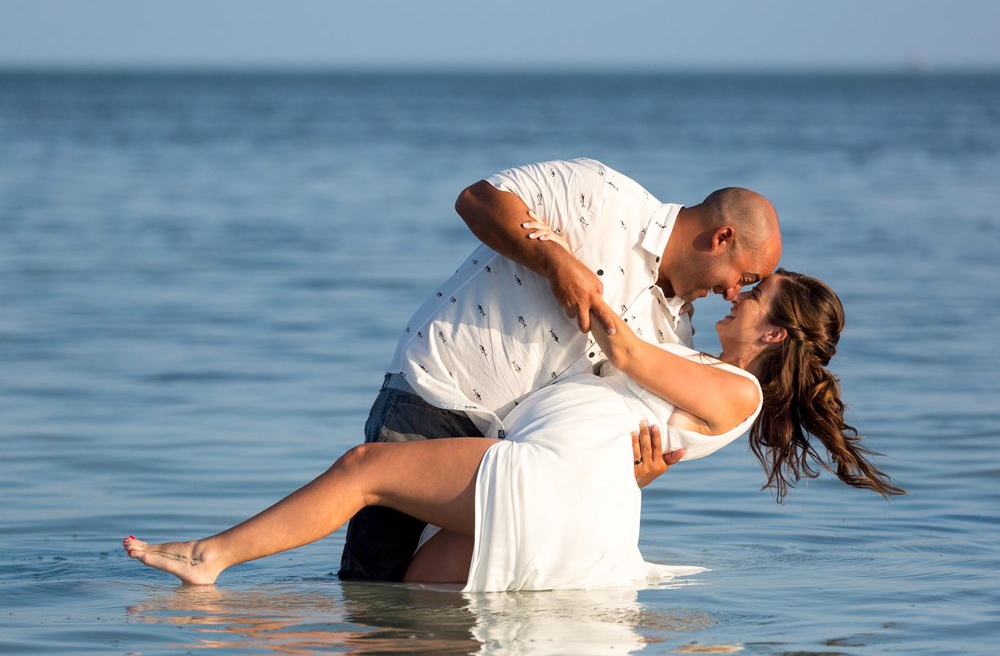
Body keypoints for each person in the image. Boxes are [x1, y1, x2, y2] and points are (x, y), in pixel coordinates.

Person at [123, 268, 903, 592]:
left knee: (366, 467)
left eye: (756, 294)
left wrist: (564, 260)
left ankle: (209, 554)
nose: (739, 294)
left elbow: (625, 348)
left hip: (541, 478)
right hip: (575, 508)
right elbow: (638, 420)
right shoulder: (710, 370)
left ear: (771, 338)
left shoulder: (737, 391)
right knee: (405, 614)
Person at [339, 157, 782, 581]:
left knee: (432, 606)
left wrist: (635, 473)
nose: (732, 294)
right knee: (370, 585)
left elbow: (596, 423)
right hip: (433, 399)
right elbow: (477, 199)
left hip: (513, 458)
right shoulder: (604, 194)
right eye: (744, 278)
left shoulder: (675, 336)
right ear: (721, 237)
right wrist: (555, 262)